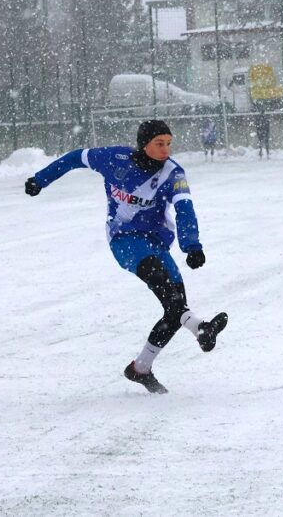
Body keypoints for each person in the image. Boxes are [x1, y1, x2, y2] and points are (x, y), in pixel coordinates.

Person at [24, 120, 228, 394]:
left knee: (175, 307)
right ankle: (201, 328)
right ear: (144, 143)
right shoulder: (114, 158)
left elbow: (184, 208)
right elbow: (75, 158)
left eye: (169, 143)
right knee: (168, 294)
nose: (166, 149)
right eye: (159, 143)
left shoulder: (173, 173)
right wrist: (40, 180)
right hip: (125, 240)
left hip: (156, 242)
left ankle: (140, 369)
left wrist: (191, 245)